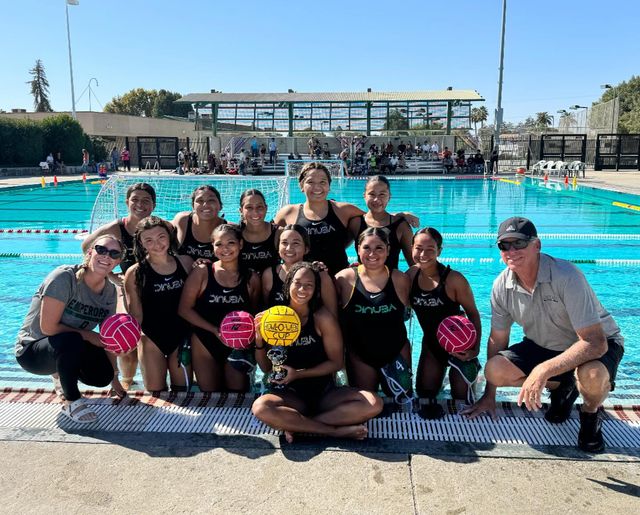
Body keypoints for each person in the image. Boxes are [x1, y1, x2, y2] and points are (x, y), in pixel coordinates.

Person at [462, 217, 625, 453]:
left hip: (594, 345)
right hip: (544, 345)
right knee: (494, 370)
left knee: (591, 376)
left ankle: (591, 415)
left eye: (519, 243)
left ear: (537, 245)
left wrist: (542, 370)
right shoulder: (501, 285)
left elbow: (595, 343)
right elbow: (498, 338)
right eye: (504, 245)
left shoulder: (566, 276)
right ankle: (563, 384)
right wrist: (489, 394)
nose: (511, 251)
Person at [252, 262, 383, 442]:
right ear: (288, 284)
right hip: (290, 395)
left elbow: (336, 363)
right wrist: (259, 340)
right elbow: (266, 367)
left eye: (309, 285)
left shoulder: (322, 318)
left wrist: (298, 374)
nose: (302, 289)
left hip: (325, 393)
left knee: (373, 403)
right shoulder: (272, 318)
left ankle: (299, 426)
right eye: (297, 283)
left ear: (316, 290)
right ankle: (334, 431)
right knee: (261, 408)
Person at [15, 235, 126, 423]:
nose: (106, 256)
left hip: (68, 346)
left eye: (114, 253)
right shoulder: (64, 277)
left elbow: (107, 337)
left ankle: (62, 373)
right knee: (72, 339)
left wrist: (115, 377)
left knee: (101, 376)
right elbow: (48, 328)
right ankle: (71, 400)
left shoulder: (109, 292)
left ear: (117, 262)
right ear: (90, 252)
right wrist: (90, 335)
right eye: (101, 250)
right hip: (32, 352)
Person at [81, 182, 156, 389]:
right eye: (135, 200)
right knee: (126, 337)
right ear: (127, 202)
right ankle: (127, 382)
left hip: (153, 291)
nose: (140, 205)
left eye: (146, 201)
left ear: (153, 205)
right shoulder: (117, 228)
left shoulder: (157, 228)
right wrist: (111, 277)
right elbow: (87, 246)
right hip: (125, 290)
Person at [406, 227, 482, 418]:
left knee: (461, 400)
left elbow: (473, 314)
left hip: (459, 345)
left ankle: (473, 370)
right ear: (412, 248)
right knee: (425, 394)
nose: (423, 254)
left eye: (430, 249)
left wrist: (475, 348)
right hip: (432, 346)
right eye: (418, 248)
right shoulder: (410, 275)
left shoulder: (454, 280)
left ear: (439, 251)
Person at [335, 229, 413, 408]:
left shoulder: (401, 279)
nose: (372, 253)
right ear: (358, 249)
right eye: (367, 247)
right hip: (360, 356)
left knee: (402, 404)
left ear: (388, 249)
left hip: (396, 353)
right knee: (367, 406)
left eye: (379, 248)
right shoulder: (344, 279)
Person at [178, 224, 261, 392]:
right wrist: (215, 330)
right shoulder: (202, 272)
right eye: (218, 244)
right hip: (205, 340)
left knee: (238, 394)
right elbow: (184, 310)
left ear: (241, 244)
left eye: (230, 243)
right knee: (210, 395)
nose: (225, 249)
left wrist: (245, 339)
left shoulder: (251, 277)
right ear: (212, 246)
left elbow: (255, 313)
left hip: (237, 344)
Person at [124, 217, 193, 392]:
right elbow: (136, 315)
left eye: (161, 237)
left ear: (169, 236)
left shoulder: (186, 263)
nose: (157, 244)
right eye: (149, 240)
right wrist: (125, 343)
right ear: (141, 243)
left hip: (181, 337)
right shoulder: (135, 273)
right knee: (156, 394)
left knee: (183, 392)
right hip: (151, 339)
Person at [274, 162, 365, 276]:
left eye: (322, 182)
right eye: (310, 182)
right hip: (303, 283)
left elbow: (375, 221)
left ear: (329, 186)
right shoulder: (288, 213)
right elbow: (268, 236)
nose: (317, 187)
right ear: (301, 186)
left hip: (339, 279)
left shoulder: (344, 210)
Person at [261, 224, 338, 316]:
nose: (289, 248)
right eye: (284, 243)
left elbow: (332, 313)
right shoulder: (269, 275)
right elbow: (266, 309)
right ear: (278, 248)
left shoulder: (320, 275)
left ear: (306, 249)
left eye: (296, 243)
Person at [348, 175, 413, 270]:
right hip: (363, 282)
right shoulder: (355, 223)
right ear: (364, 196)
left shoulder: (401, 226)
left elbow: (413, 262)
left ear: (389, 196)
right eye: (372, 194)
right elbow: (338, 250)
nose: (376, 199)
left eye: (382, 194)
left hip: (392, 282)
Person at [173, 185, 225, 261]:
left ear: (220, 206)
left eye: (211, 200)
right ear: (193, 206)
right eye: (200, 200)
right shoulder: (183, 221)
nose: (205, 204)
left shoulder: (228, 229)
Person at [238, 189, 281, 274]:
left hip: (271, 285)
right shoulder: (235, 234)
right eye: (249, 207)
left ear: (266, 208)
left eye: (259, 207)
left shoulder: (278, 233)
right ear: (241, 211)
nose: (255, 212)